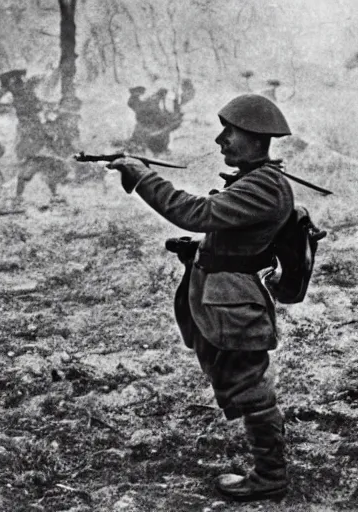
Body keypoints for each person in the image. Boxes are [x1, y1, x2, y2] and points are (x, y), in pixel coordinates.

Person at [108, 94, 294, 502]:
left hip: (234, 302)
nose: (220, 139)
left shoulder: (263, 186)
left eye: (231, 132)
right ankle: (268, 470)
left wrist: (143, 177)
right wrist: (200, 250)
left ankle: (270, 476)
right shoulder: (255, 180)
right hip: (224, 299)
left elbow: (195, 212)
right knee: (238, 381)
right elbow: (230, 233)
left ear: (256, 137)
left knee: (248, 386)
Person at [0, 69, 44, 162]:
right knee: (31, 137)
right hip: (28, 120)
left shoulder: (21, 90)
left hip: (28, 120)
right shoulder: (21, 91)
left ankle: (27, 156)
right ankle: (28, 156)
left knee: (30, 137)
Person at [127, 86, 184, 154]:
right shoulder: (149, 106)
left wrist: (176, 104)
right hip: (149, 137)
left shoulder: (152, 106)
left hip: (155, 138)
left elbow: (173, 120)